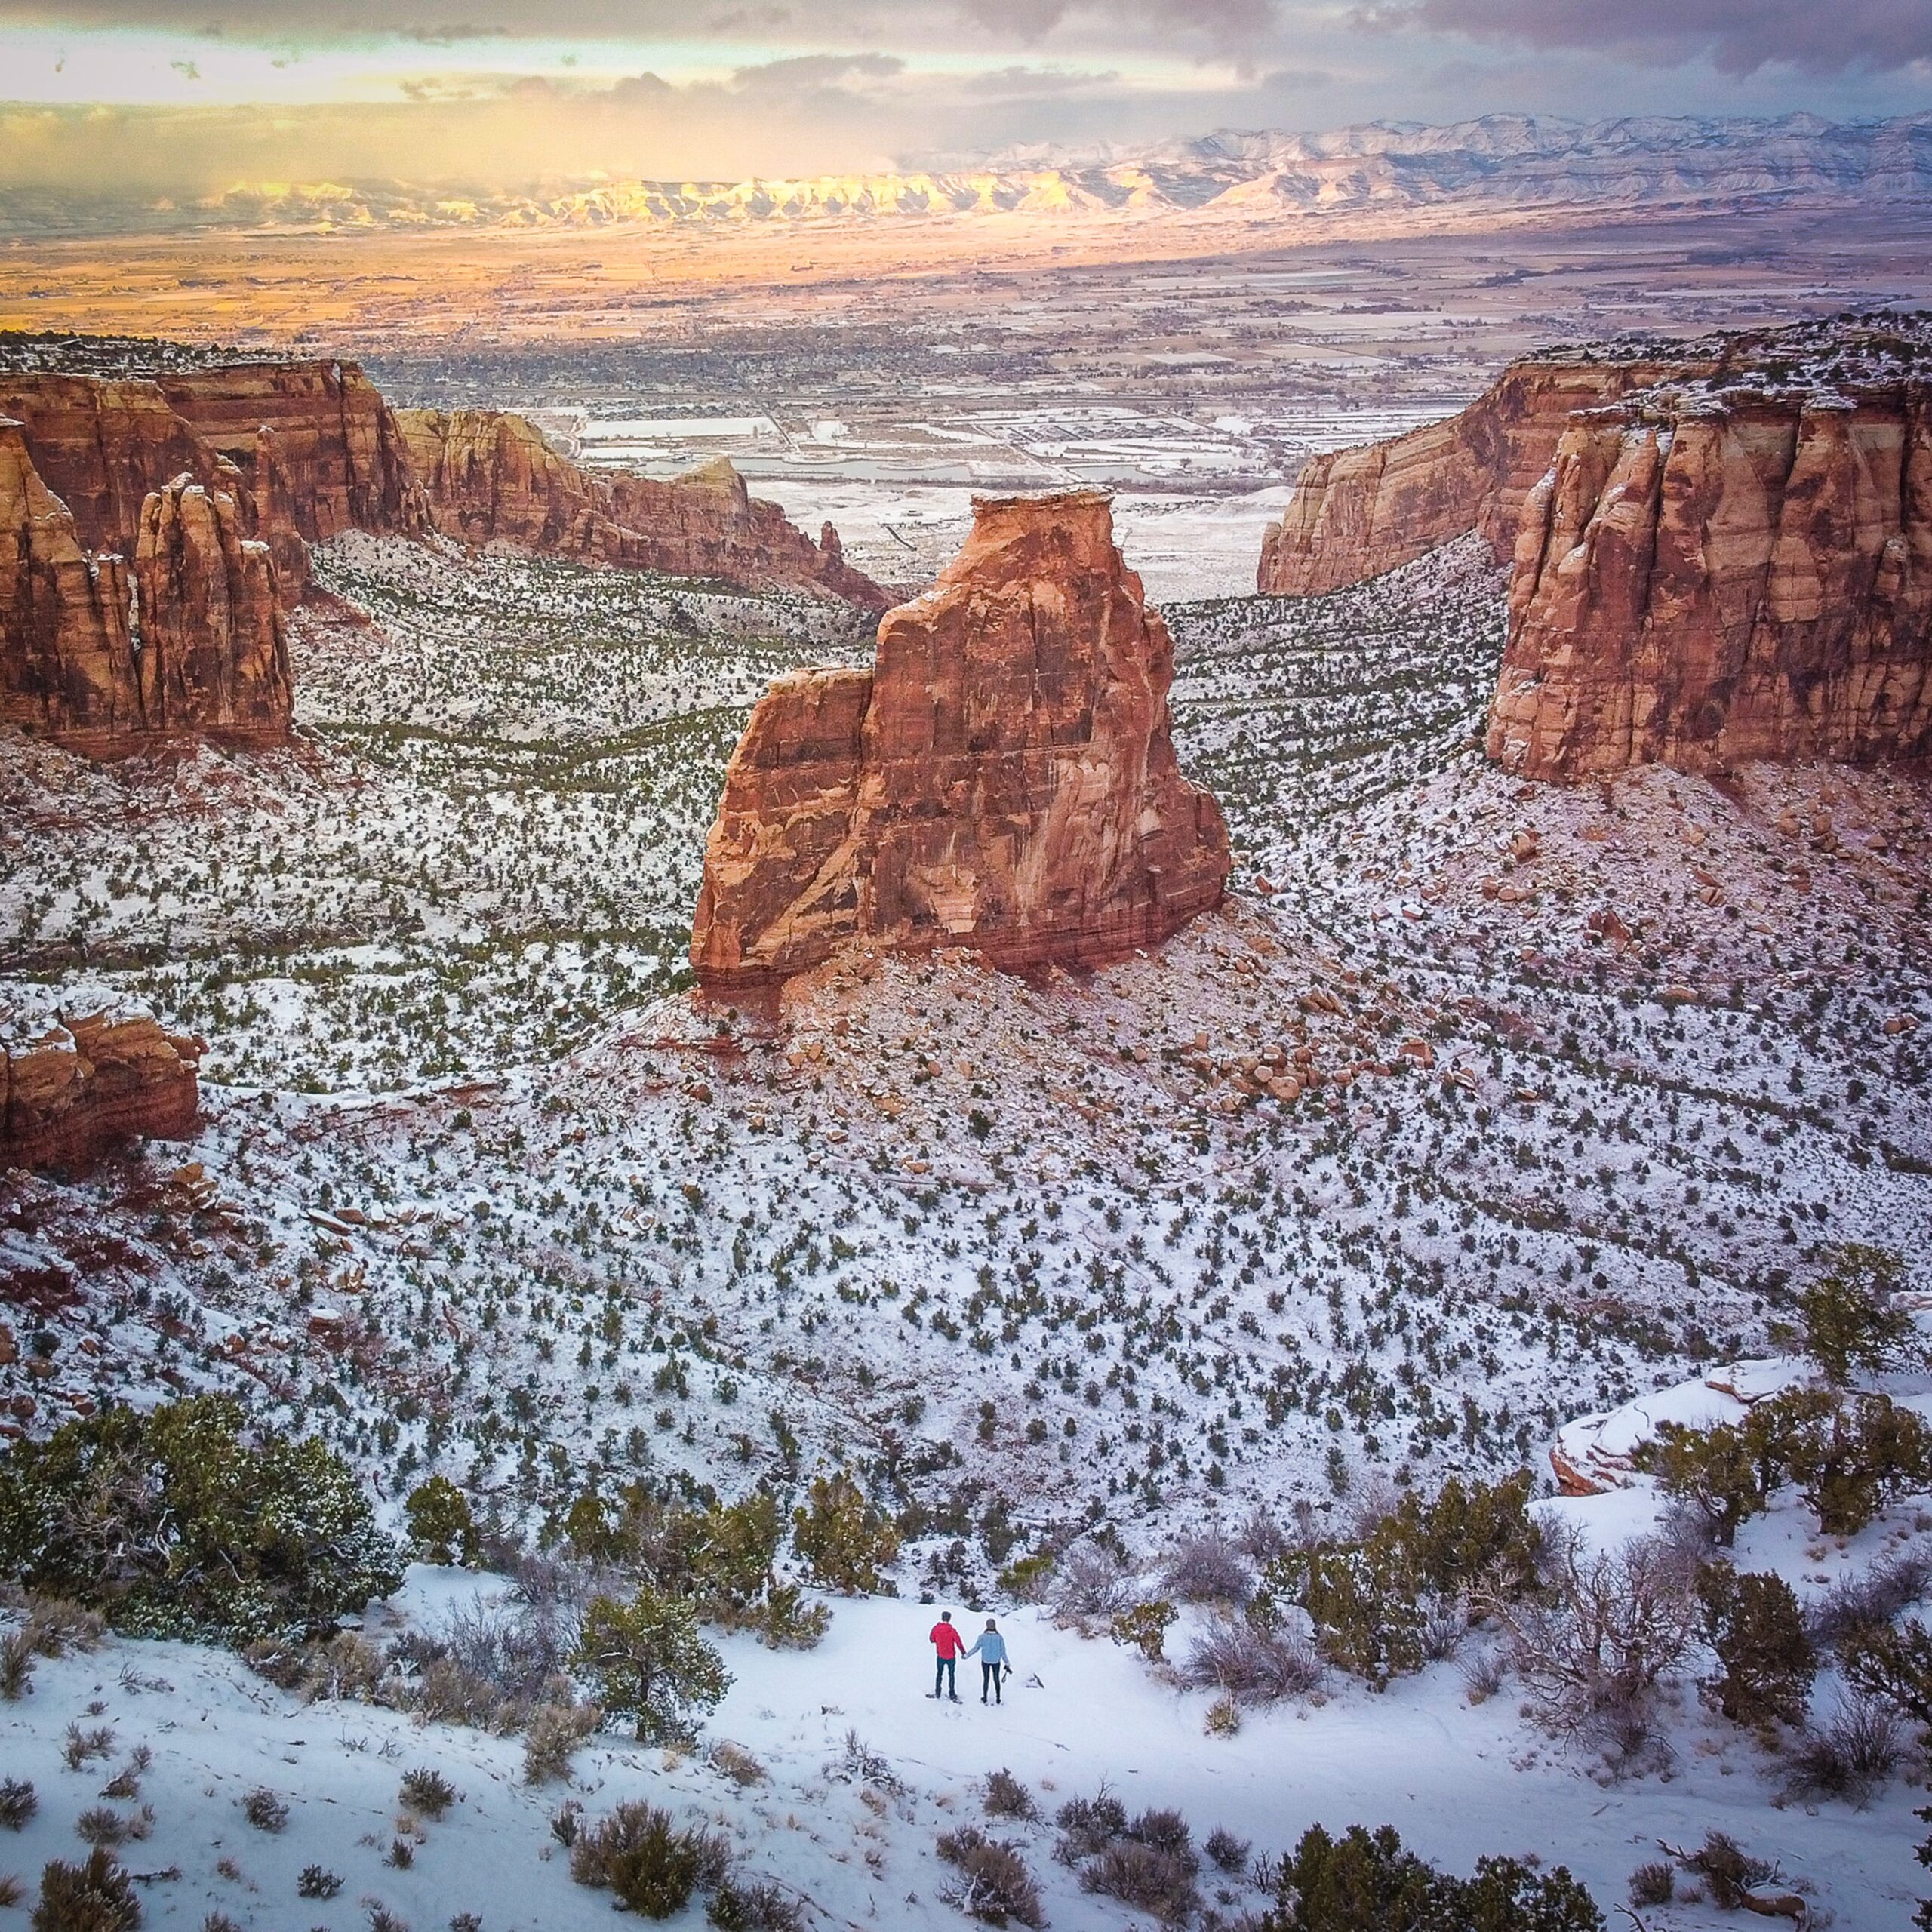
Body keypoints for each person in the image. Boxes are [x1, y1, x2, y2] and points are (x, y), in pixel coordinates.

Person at [966, 1617, 1010, 1704]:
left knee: (986, 1679)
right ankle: (998, 1698)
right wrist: (1007, 1662)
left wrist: (967, 1655)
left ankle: (985, 1697)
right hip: (996, 1661)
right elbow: (1003, 1651)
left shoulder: (982, 1637)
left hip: (985, 1661)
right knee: (996, 1679)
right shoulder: (999, 1637)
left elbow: (976, 1648)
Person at [929, 1609, 966, 1701]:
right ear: (950, 1619)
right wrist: (963, 1652)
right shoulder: (952, 1630)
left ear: (942, 1618)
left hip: (940, 1655)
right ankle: (952, 1694)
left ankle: (937, 1692)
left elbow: (931, 1639)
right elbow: (958, 1642)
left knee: (939, 1673)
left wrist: (939, 1641)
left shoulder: (936, 1629)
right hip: (951, 1656)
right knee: (951, 1675)